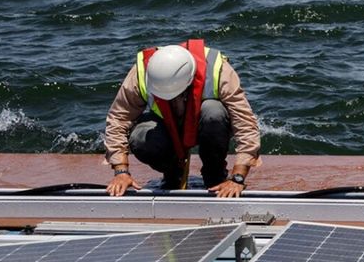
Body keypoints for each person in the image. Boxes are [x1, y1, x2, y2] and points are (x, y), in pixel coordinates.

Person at [103, 39, 260, 197]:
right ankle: (172, 172)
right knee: (140, 137)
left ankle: (214, 174)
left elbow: (245, 123)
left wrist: (238, 177)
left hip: (206, 125)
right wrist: (121, 171)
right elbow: (118, 119)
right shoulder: (143, 72)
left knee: (214, 112)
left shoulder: (219, 70)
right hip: (165, 126)